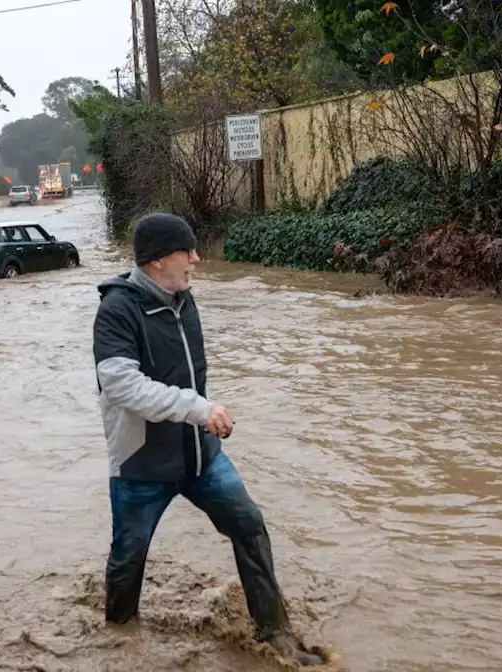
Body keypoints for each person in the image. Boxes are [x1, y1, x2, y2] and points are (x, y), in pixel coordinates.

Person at [91, 212, 323, 667]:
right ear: (158, 260)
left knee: (249, 525)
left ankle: (276, 633)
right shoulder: (117, 310)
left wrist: (207, 417)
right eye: (188, 251)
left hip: (201, 456)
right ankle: (119, 642)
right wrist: (200, 409)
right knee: (128, 557)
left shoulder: (183, 296)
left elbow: (188, 373)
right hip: (141, 465)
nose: (198, 258)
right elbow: (122, 386)